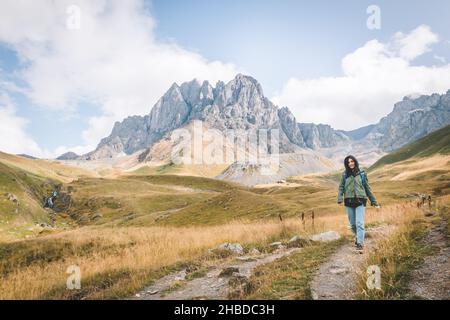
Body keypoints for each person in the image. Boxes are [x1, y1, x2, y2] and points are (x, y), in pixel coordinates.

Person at [337, 155, 380, 253]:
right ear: (346, 164)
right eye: (348, 162)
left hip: (360, 201)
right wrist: (340, 199)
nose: (350, 163)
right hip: (349, 202)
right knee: (352, 225)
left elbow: (368, 189)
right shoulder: (344, 175)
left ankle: (360, 243)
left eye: (352, 161)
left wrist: (375, 203)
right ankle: (358, 236)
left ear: (355, 162)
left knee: (359, 223)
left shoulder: (362, 174)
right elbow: (341, 187)